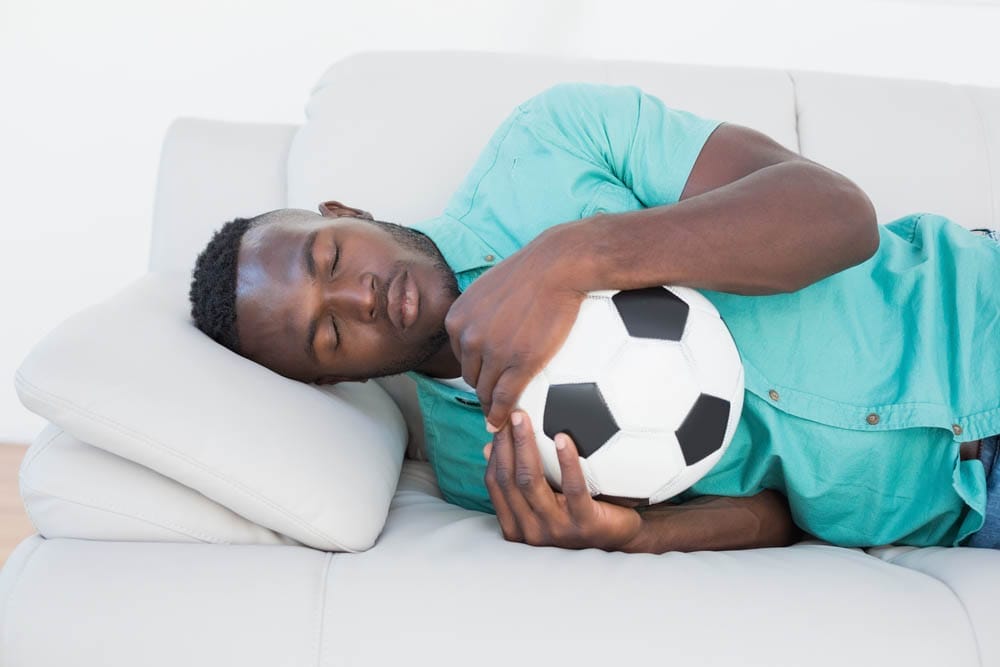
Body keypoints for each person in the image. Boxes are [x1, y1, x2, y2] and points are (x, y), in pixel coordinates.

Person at [188, 82, 1000, 554]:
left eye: (330, 258)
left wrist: (574, 257)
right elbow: (775, 512)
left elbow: (839, 217)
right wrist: (638, 535)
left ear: (345, 210)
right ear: (341, 376)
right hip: (964, 507)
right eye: (328, 333)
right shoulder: (485, 470)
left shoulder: (551, 145)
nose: (359, 297)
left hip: (978, 314)